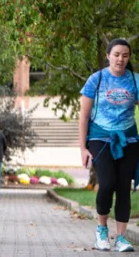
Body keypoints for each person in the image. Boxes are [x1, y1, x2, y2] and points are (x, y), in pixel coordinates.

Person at [79, 38, 139, 252]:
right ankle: (101, 230)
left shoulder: (135, 80)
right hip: (99, 139)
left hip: (129, 140)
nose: (120, 59)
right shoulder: (96, 80)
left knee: (124, 186)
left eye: (125, 55)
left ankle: (121, 237)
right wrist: (83, 148)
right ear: (108, 56)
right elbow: (84, 116)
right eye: (116, 55)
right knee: (107, 183)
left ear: (129, 57)